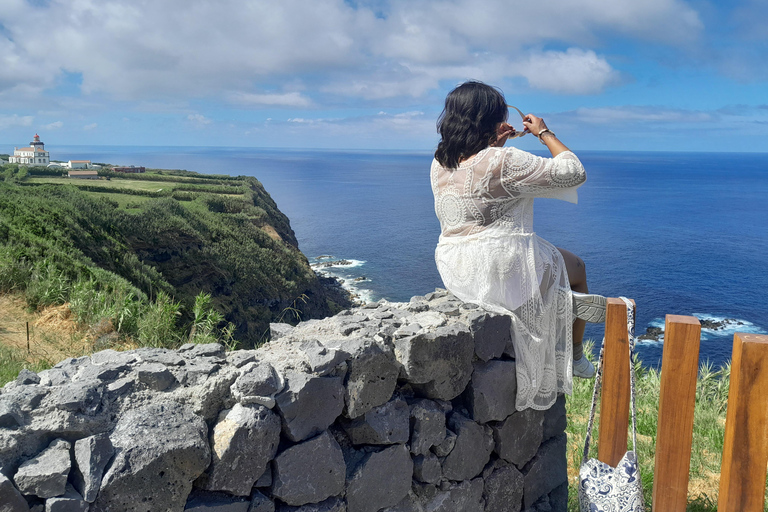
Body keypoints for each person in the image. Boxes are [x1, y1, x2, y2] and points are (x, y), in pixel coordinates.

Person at [431, 81, 605, 411]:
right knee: (577, 268)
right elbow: (573, 172)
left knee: (545, 268)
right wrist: (543, 132)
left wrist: (494, 142)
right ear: (491, 119)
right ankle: (575, 353)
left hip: (455, 267)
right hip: (499, 266)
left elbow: (481, 193)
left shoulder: (440, 162)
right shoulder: (504, 160)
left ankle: (560, 313)